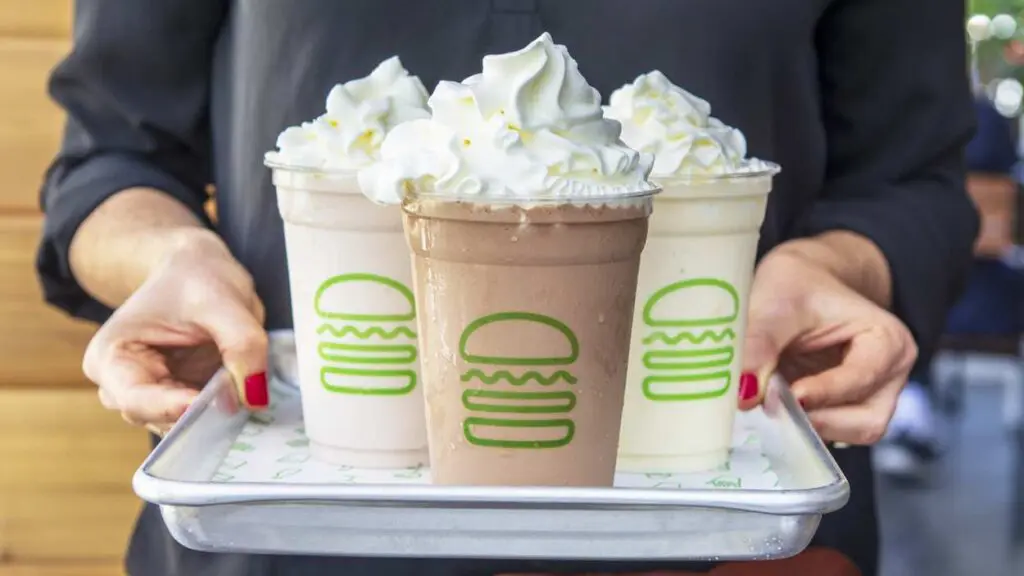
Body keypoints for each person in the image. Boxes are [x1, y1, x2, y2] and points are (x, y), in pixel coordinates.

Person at [36, 1, 976, 575]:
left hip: (714, 531)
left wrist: (837, 265)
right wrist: (166, 257)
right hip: (298, 538)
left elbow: (912, 178)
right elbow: (113, 156)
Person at [876, 95, 1021, 481]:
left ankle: (909, 408)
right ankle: (911, 410)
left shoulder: (894, 116)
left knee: (895, 280)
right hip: (982, 298)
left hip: (915, 296)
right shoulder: (985, 119)